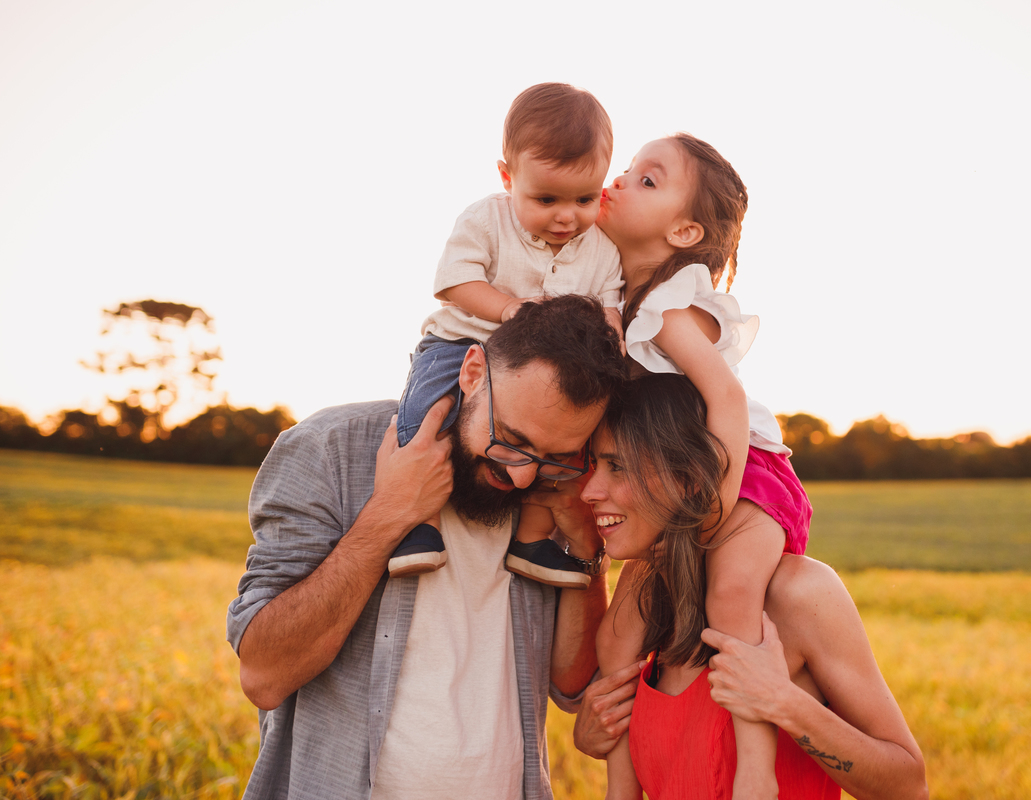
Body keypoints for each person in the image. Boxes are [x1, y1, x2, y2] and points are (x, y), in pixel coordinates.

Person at [226, 296, 626, 800]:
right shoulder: (328, 449)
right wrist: (389, 513)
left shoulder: (557, 489)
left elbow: (571, 687)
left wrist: (587, 554)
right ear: (473, 371)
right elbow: (264, 674)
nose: (522, 473)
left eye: (556, 454)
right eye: (512, 438)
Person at [577, 374, 928, 800]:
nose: (590, 491)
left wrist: (785, 704)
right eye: (594, 465)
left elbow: (908, 787)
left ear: (688, 477)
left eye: (618, 466)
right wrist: (596, 728)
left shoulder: (798, 593)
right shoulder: (640, 594)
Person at [593, 133, 811, 799]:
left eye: (649, 180)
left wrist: (716, 501)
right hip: (681, 481)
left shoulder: (666, 308)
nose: (624, 179)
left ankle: (754, 772)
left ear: (686, 230)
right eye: (628, 170)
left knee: (733, 595)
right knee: (621, 634)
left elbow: (726, 396)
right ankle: (622, 780)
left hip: (745, 473)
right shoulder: (613, 291)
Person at [390, 82, 625, 590]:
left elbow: (610, 308)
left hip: (543, 379)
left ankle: (533, 539)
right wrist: (507, 307)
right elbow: (453, 282)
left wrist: (614, 353)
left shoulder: (601, 247)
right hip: (461, 341)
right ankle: (416, 521)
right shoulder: (487, 219)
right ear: (507, 176)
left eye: (585, 199)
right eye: (546, 199)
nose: (567, 216)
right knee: (428, 408)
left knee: (563, 453)